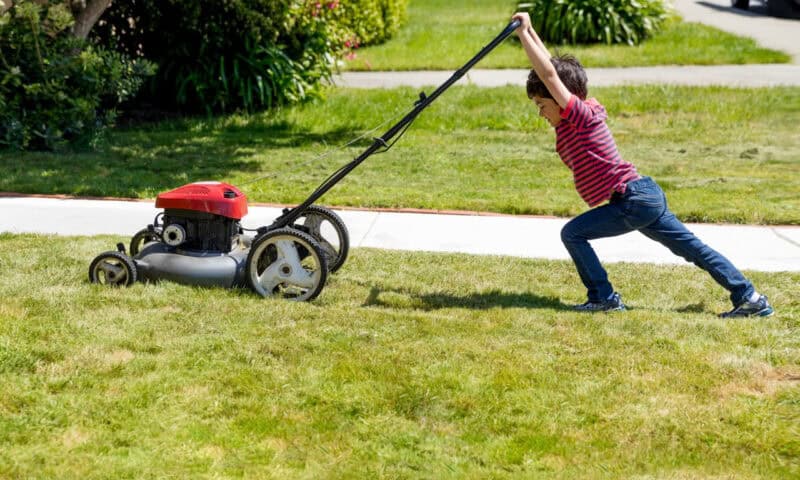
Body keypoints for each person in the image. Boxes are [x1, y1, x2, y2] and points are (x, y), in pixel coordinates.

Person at [511, 12, 773, 317]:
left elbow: (550, 76)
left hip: (632, 200)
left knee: (572, 233)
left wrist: (522, 37)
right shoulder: (575, 120)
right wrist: (529, 31)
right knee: (694, 250)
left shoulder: (580, 117)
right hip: (644, 196)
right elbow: (551, 72)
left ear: (562, 100)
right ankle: (750, 297)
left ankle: (604, 297)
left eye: (542, 105)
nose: (541, 113)